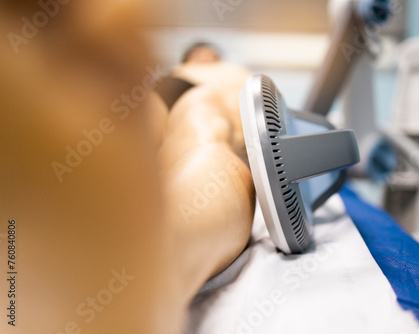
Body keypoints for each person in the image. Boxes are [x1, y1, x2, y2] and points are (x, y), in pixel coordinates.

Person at [0, 1, 255, 333]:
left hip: (173, 97)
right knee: (196, 121)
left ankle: (151, 272)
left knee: (199, 118)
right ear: (197, 57)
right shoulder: (213, 75)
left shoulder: (224, 74)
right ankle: (152, 273)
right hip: (163, 96)